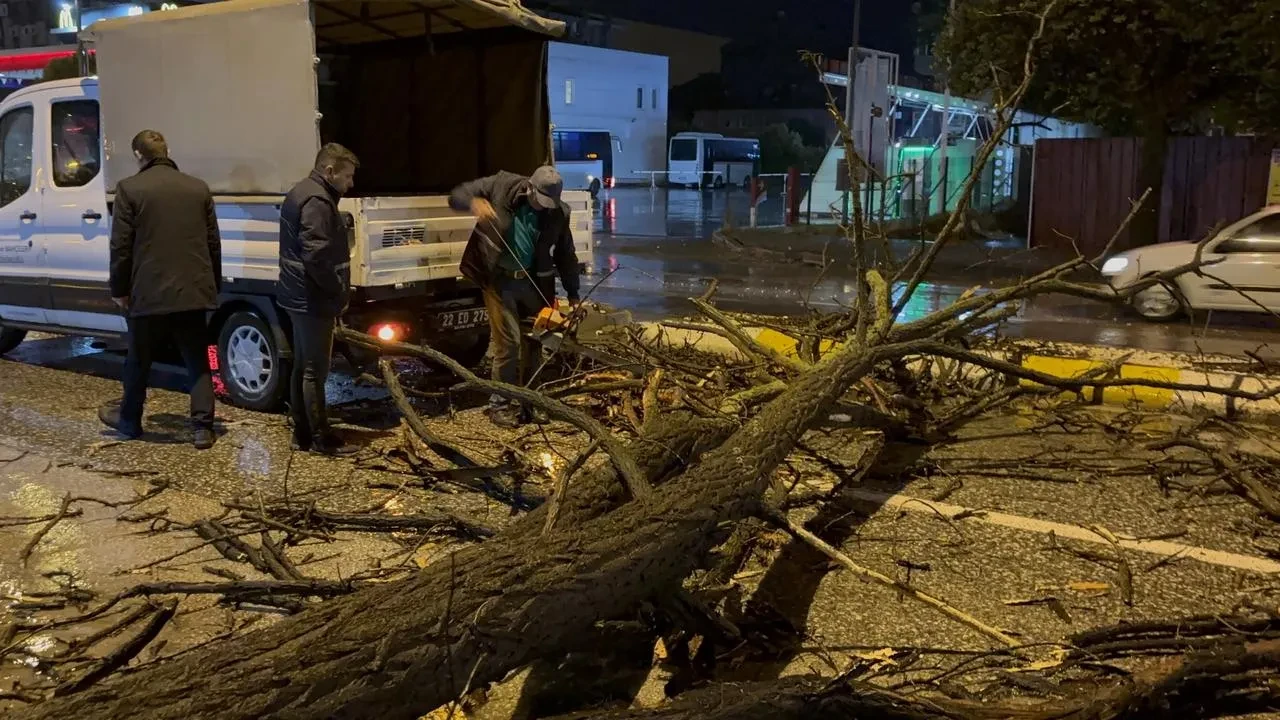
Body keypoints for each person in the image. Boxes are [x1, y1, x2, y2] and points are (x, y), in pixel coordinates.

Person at [100, 130, 221, 450]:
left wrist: (119, 288)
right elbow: (213, 244)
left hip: (148, 292)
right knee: (197, 360)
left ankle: (129, 422)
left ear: (139, 156)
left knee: (138, 359)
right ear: (167, 151)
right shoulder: (198, 188)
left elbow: (121, 247)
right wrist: (212, 287)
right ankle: (202, 428)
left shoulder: (129, 189)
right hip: (192, 292)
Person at [449, 166, 581, 428]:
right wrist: (474, 201)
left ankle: (532, 402)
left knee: (536, 342)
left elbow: (566, 254)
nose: (544, 207)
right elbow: (457, 195)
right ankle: (500, 404)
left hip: (535, 283)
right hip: (499, 281)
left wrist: (574, 293)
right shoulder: (501, 185)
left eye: (550, 203)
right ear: (529, 187)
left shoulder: (558, 212)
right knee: (508, 345)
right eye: (540, 200)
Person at [277, 143, 360, 455]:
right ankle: (321, 438)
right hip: (312, 299)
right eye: (347, 176)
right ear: (330, 171)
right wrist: (337, 292)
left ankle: (302, 434)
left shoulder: (304, 192)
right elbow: (317, 257)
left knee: (303, 366)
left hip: (299, 295)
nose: (350, 183)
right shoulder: (316, 201)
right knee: (315, 371)